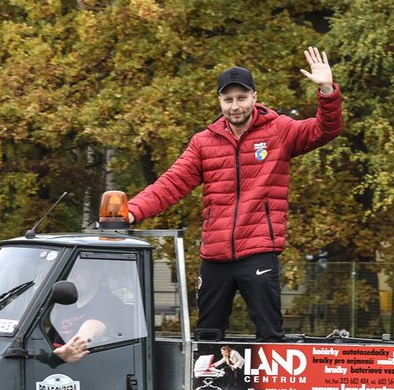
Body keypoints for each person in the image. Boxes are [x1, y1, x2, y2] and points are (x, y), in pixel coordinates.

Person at [126, 47, 343, 341]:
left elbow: (325, 130)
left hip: (259, 252)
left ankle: (270, 388)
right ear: (219, 101)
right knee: (208, 335)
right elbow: (171, 183)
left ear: (254, 96)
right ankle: (207, 387)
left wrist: (327, 90)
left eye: (241, 98)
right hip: (214, 255)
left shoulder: (279, 130)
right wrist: (131, 210)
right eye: (228, 100)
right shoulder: (203, 142)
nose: (235, 106)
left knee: (269, 335)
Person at [50, 262, 129, 363]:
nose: (72, 275)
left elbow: (92, 327)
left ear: (97, 273)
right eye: (70, 270)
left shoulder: (108, 302)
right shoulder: (66, 305)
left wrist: (74, 348)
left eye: (80, 268)